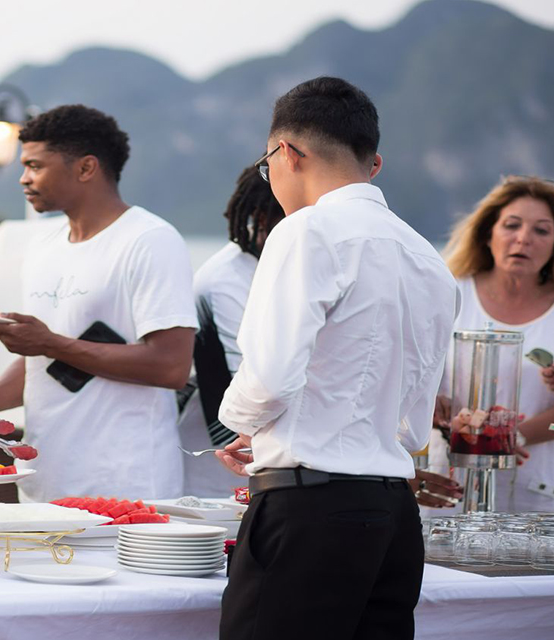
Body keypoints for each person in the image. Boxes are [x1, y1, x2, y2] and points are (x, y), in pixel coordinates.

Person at [214, 77, 457, 640]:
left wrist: (244, 424)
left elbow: (270, 377)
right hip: (395, 515)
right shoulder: (428, 259)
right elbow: (410, 417)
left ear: (287, 154)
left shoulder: (307, 231)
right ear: (374, 164)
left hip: (311, 512)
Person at [0, 105, 198, 502]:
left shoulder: (149, 240)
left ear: (86, 168)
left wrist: (49, 343)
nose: (23, 178)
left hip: (127, 486)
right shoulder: (43, 247)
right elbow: (46, 359)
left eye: (35, 166)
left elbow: (171, 366)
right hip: (43, 482)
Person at [434, 175, 554, 512]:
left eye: (541, 230)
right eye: (512, 225)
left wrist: (516, 436)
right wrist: (427, 407)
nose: (523, 238)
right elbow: (401, 374)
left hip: (536, 501)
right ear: (488, 233)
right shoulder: (446, 291)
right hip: (447, 489)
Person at [180, 167, 284, 497]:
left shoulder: (274, 269)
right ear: (259, 215)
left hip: (263, 459)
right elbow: (259, 377)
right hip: (221, 462)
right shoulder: (226, 279)